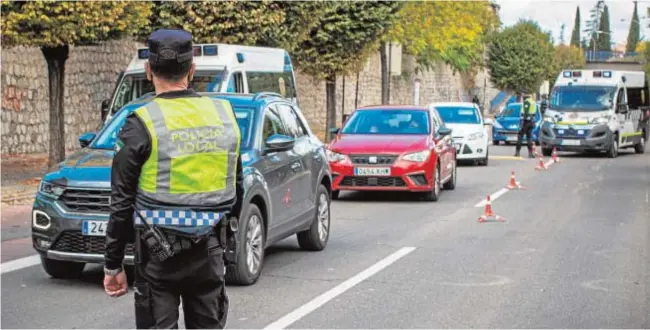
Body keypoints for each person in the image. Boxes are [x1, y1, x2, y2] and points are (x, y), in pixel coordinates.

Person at [103, 28, 243, 329]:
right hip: (210, 251)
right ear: (191, 70)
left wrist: (113, 264)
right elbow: (237, 187)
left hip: (157, 256)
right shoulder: (224, 115)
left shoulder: (140, 123)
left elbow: (121, 203)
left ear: (148, 70)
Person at [514, 91, 537, 158]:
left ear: (524, 96)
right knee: (529, 138)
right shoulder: (533, 102)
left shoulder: (526, 102)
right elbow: (533, 114)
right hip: (531, 122)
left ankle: (517, 152)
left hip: (526, 121)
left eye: (522, 95)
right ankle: (530, 153)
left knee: (520, 136)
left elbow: (525, 114)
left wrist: (522, 123)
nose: (522, 97)